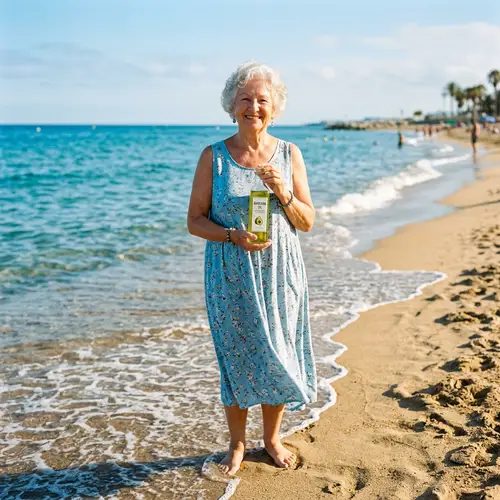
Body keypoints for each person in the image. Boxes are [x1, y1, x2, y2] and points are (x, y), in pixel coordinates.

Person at [187, 61, 317, 476]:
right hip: (229, 274)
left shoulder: (290, 153)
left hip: (280, 271)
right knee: (236, 356)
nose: (254, 107)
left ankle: (272, 438)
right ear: (231, 106)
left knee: (278, 352)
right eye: (245, 99)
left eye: (263, 100)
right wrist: (232, 237)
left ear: (275, 108)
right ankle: (238, 443)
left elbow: (308, 221)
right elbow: (194, 220)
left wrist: (283, 192)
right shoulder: (214, 157)